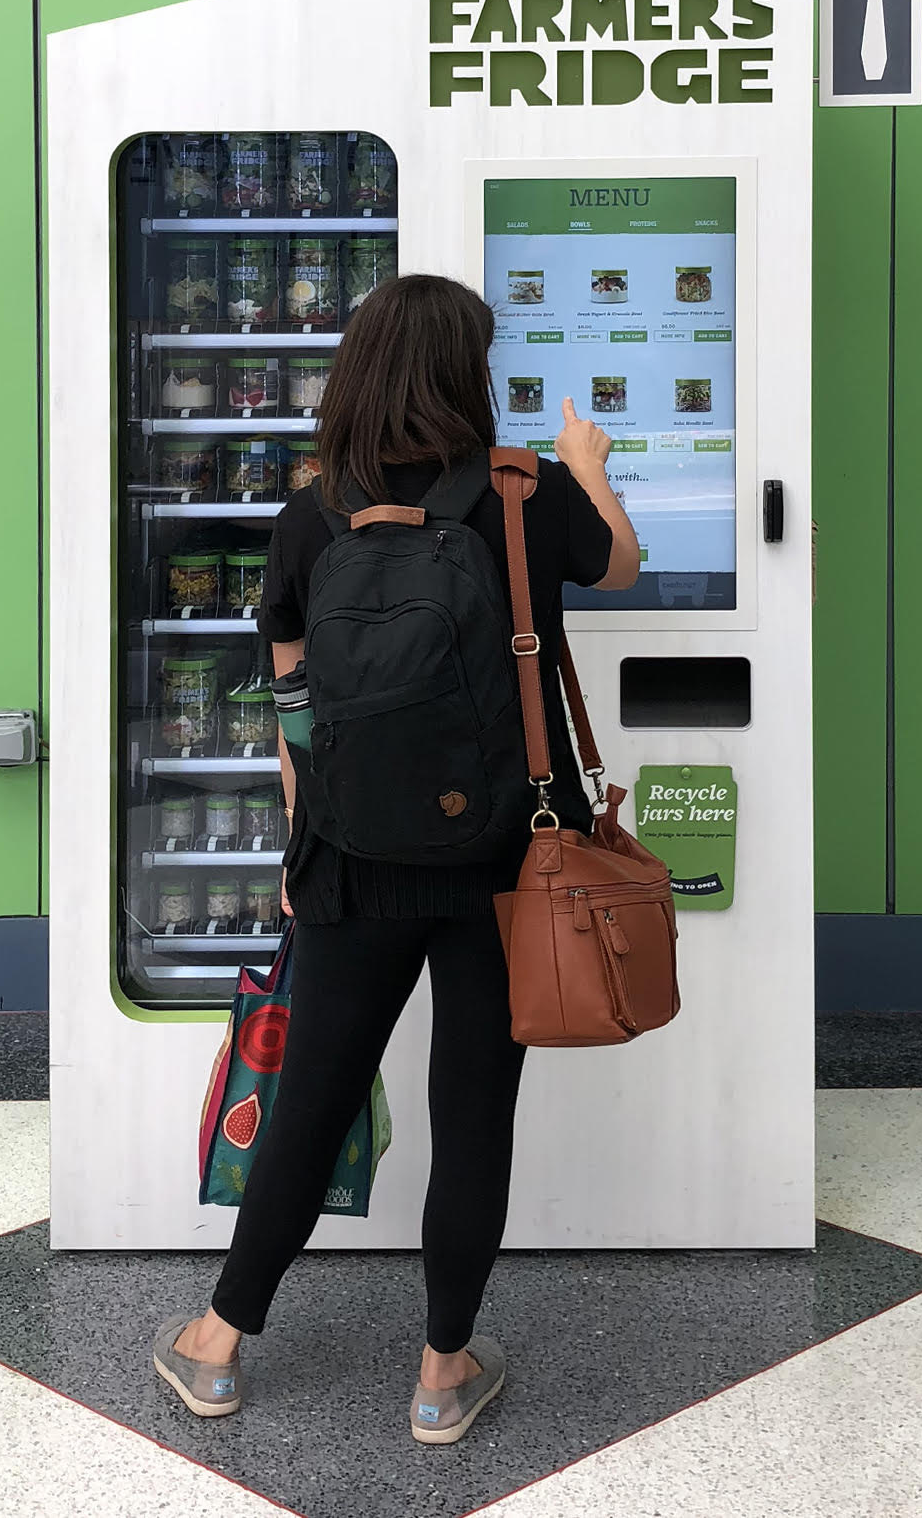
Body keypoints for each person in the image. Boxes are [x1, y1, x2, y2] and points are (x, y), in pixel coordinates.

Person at [153, 273, 640, 1443]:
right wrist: (592, 465)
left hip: (354, 860)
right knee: (474, 1110)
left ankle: (218, 1343)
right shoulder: (524, 495)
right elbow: (620, 566)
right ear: (464, 375)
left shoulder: (312, 515)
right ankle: (441, 1371)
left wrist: (302, 838)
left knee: (312, 1097)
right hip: (507, 861)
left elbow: (295, 704)